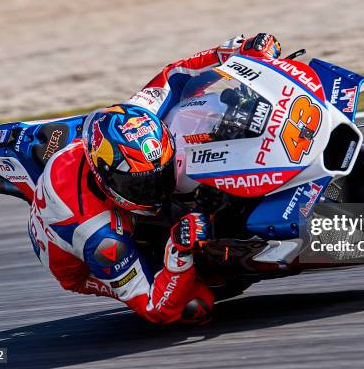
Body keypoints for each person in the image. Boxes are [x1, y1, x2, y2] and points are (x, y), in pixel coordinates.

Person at [27, 34, 281, 324]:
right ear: (108, 181)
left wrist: (236, 52)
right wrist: (178, 252)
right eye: (143, 184)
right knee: (195, 305)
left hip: (88, 163)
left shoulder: (138, 118)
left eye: (161, 174)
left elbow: (177, 75)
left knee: (194, 118)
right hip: (85, 262)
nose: (159, 191)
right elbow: (156, 308)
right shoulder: (101, 239)